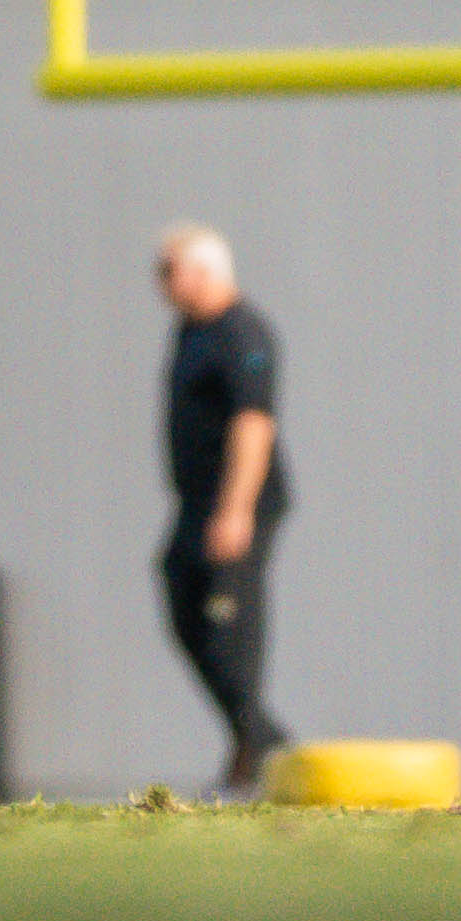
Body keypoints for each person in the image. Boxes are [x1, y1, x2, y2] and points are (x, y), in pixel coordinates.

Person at [154, 230, 284, 795]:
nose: (160, 282)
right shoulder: (191, 330)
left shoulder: (242, 333)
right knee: (182, 599)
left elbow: (253, 422)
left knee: (231, 622)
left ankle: (255, 749)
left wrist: (236, 510)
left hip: (235, 501)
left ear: (204, 272)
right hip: (194, 502)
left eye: (168, 269)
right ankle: (261, 734)